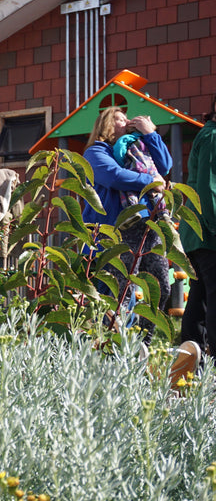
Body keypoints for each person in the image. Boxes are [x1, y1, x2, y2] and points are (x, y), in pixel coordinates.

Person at [82, 107, 172, 341]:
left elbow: (165, 166)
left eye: (127, 118)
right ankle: (110, 347)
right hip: (114, 231)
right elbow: (113, 176)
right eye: (119, 119)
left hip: (148, 224)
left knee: (161, 284)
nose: (126, 122)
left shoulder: (137, 148)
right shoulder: (96, 152)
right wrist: (150, 181)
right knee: (119, 292)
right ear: (105, 126)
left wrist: (151, 134)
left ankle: (143, 342)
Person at [171, 94, 216, 390]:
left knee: (199, 304)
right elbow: (208, 189)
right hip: (209, 235)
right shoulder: (212, 136)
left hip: (200, 236)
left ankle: (190, 371)